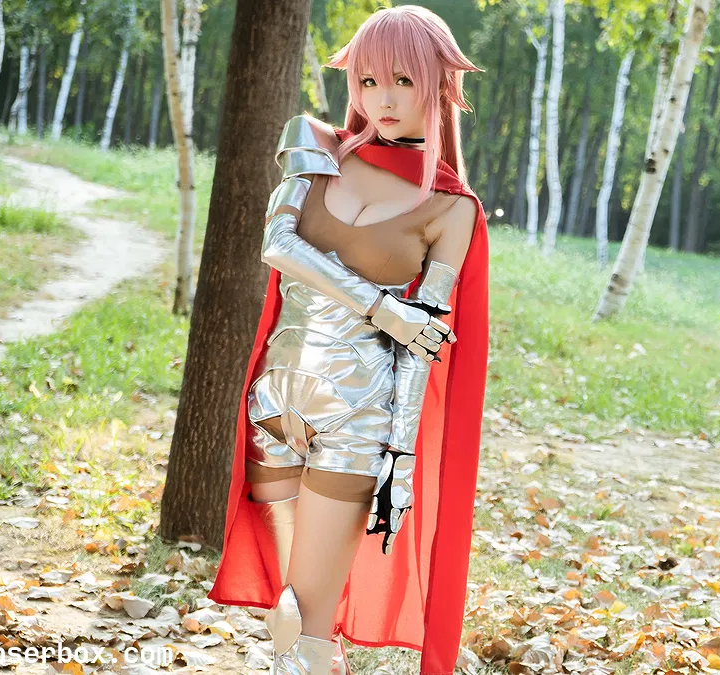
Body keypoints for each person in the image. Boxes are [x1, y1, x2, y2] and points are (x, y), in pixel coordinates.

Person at [206, 7, 490, 675]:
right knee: (292, 615)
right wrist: (382, 307)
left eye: (402, 80)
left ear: (440, 84)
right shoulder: (315, 148)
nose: (382, 99)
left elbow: (423, 346)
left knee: (300, 622)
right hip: (272, 404)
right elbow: (277, 245)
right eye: (367, 81)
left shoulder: (452, 208)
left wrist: (402, 459)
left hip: (358, 419)